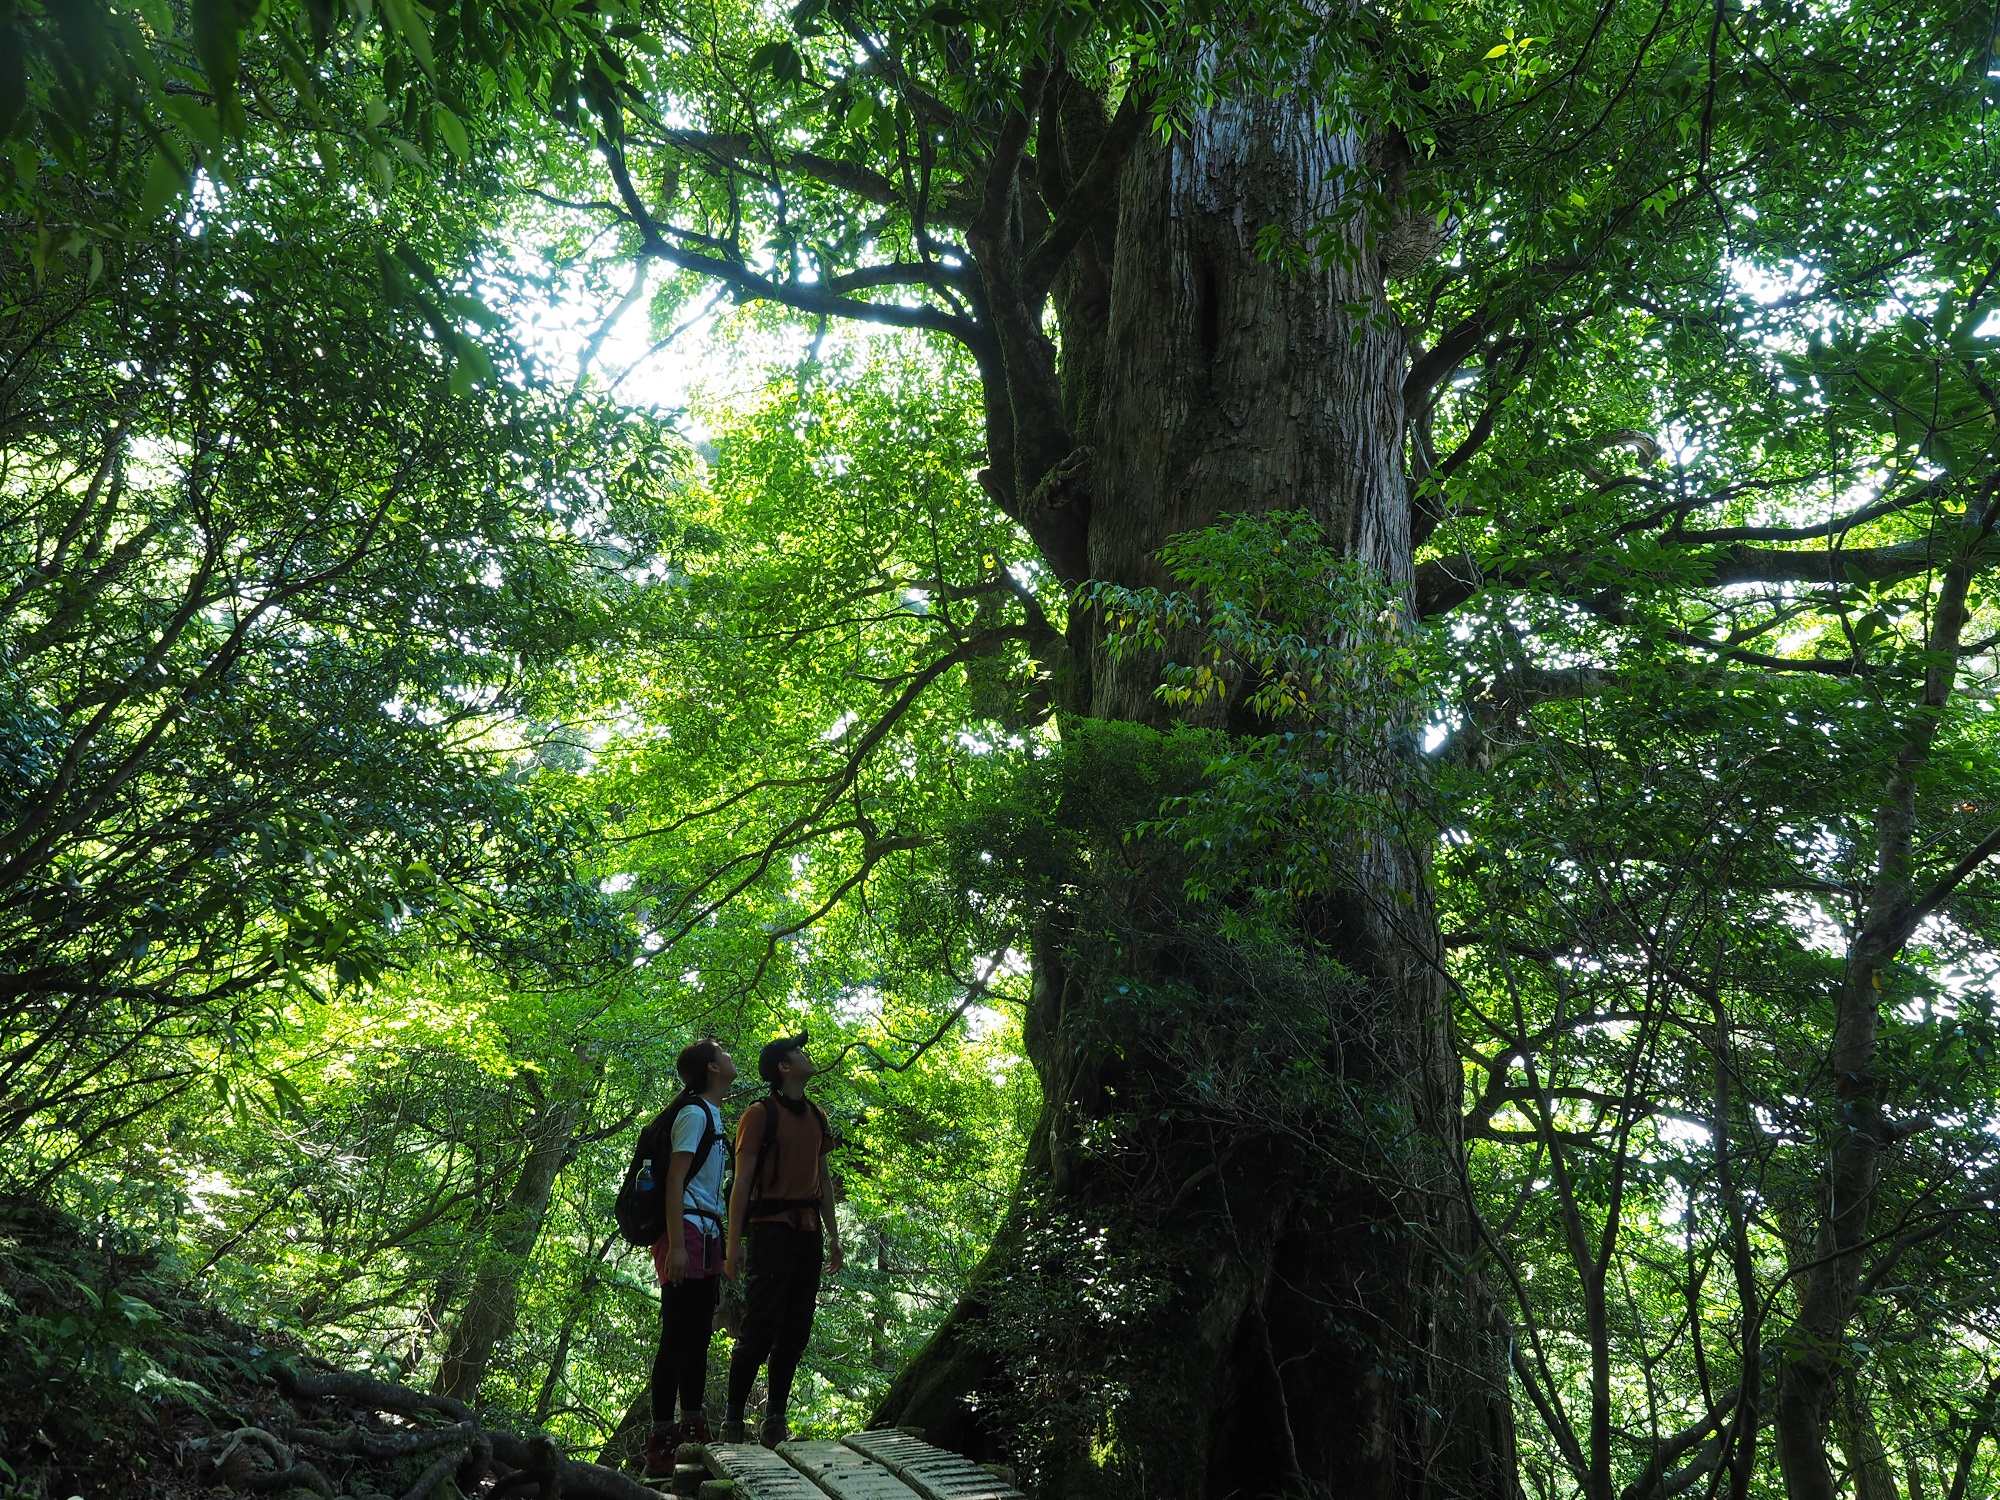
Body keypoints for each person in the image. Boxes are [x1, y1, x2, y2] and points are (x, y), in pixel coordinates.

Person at [720, 1031, 842, 1446]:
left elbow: (823, 1180)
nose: (807, 1055)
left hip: (807, 1234)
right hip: (769, 1231)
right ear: (784, 1068)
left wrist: (834, 1236)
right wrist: (733, 1244)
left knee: (797, 1328)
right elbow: (741, 1184)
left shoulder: (817, 1117)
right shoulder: (759, 1115)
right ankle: (733, 1422)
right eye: (799, 1052)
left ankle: (775, 1419)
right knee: (760, 1324)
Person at [646, 1038, 737, 1475]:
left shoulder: (713, 1114)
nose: (729, 1055)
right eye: (722, 1052)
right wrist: (678, 1247)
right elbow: (674, 1181)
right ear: (713, 1069)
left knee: (698, 1336)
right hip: (685, 1235)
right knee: (676, 1337)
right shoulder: (693, 1114)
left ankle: (692, 1430)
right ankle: (661, 1442)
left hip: (707, 1235)